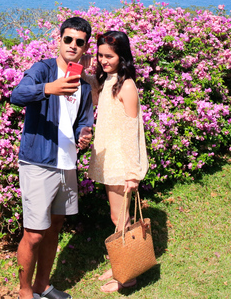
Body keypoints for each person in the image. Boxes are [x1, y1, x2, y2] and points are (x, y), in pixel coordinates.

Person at [10, 17, 95, 299]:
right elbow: (17, 94)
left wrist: (84, 134)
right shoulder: (43, 69)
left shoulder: (82, 84)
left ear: (85, 46)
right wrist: (50, 89)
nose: (73, 45)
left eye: (79, 42)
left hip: (66, 163)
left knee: (55, 226)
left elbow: (83, 121)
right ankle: (24, 293)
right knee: (34, 233)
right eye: (68, 39)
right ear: (59, 40)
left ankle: (42, 286)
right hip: (38, 161)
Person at [86, 31, 149, 294]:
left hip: (122, 163)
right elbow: (98, 97)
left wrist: (133, 174)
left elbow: (132, 130)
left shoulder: (127, 85)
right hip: (110, 158)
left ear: (121, 56)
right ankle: (120, 264)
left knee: (119, 217)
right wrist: (84, 73)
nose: (103, 60)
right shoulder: (110, 80)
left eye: (108, 56)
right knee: (119, 217)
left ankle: (127, 277)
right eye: (100, 55)